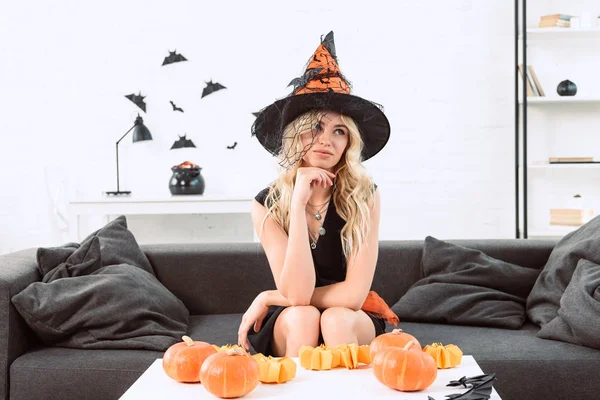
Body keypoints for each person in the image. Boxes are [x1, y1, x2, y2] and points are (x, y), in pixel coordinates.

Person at [237, 31, 396, 357]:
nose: (327, 140)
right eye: (316, 127)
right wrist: (297, 203)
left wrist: (268, 296)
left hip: (350, 316)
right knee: (303, 316)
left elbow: (353, 297)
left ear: (348, 143)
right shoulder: (265, 204)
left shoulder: (365, 196)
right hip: (293, 316)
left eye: (339, 131)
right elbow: (295, 296)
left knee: (337, 318)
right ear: (297, 134)